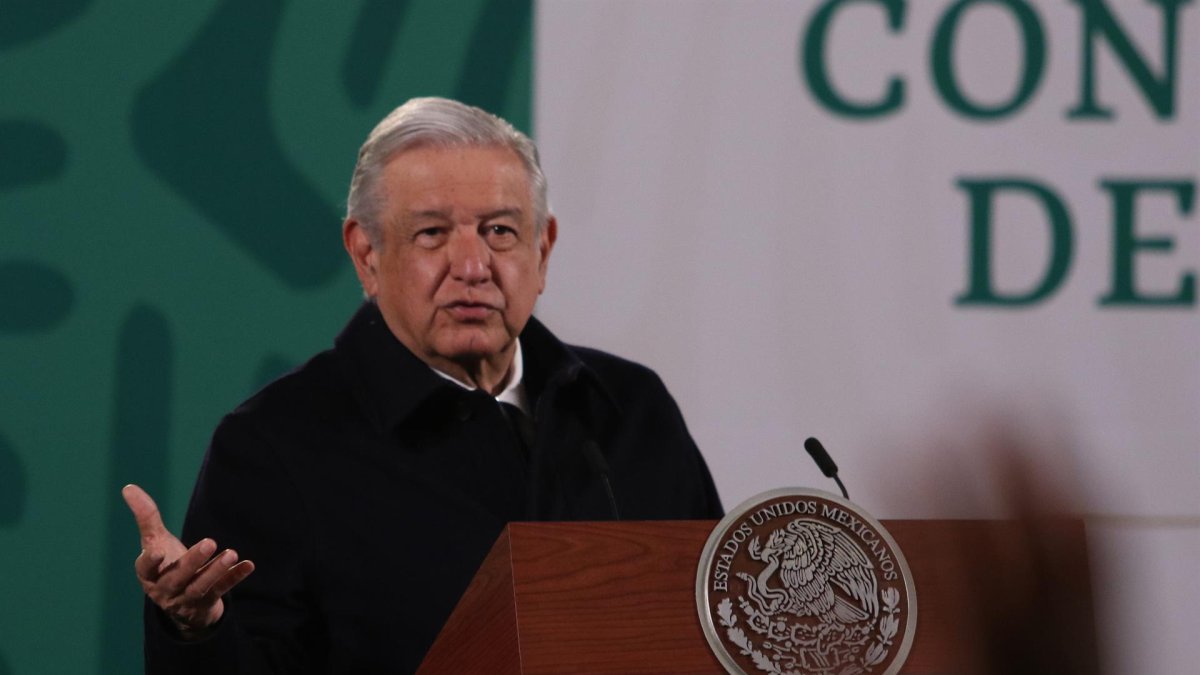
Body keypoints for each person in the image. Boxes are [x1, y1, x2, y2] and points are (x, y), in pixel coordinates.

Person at [123, 97, 723, 673]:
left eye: (500, 231)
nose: (472, 266)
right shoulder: (274, 445)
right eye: (433, 234)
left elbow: (718, 631)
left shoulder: (630, 410)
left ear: (543, 250)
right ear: (367, 255)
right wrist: (197, 630)